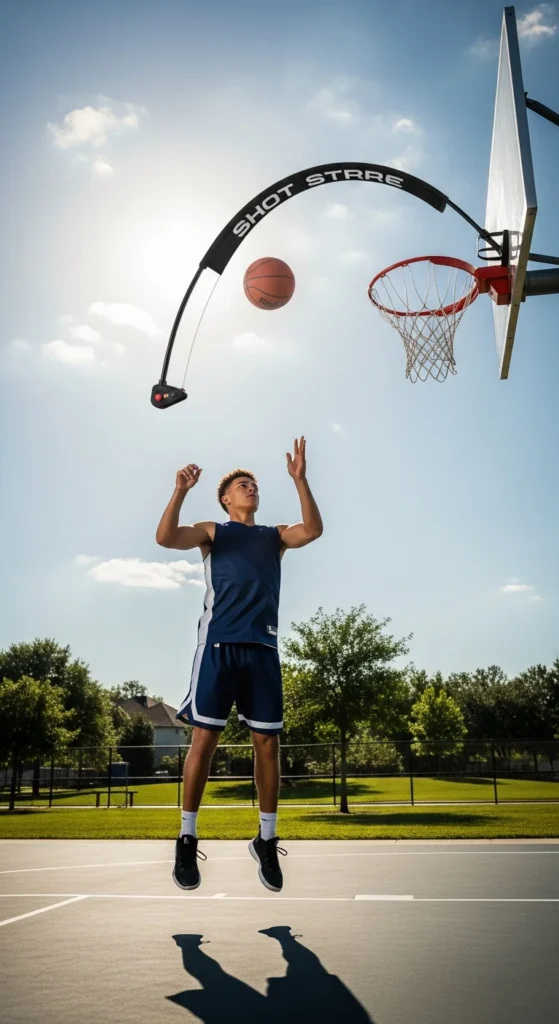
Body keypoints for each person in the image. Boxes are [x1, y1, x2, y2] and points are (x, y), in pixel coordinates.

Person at [156, 437, 323, 893]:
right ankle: (187, 837)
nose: (251, 488)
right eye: (242, 485)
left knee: (268, 746)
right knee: (204, 741)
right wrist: (180, 491)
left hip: (262, 649)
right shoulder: (213, 532)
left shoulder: (274, 536)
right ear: (227, 499)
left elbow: (312, 530)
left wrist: (300, 480)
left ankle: (266, 840)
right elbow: (166, 538)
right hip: (219, 647)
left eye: (254, 484)